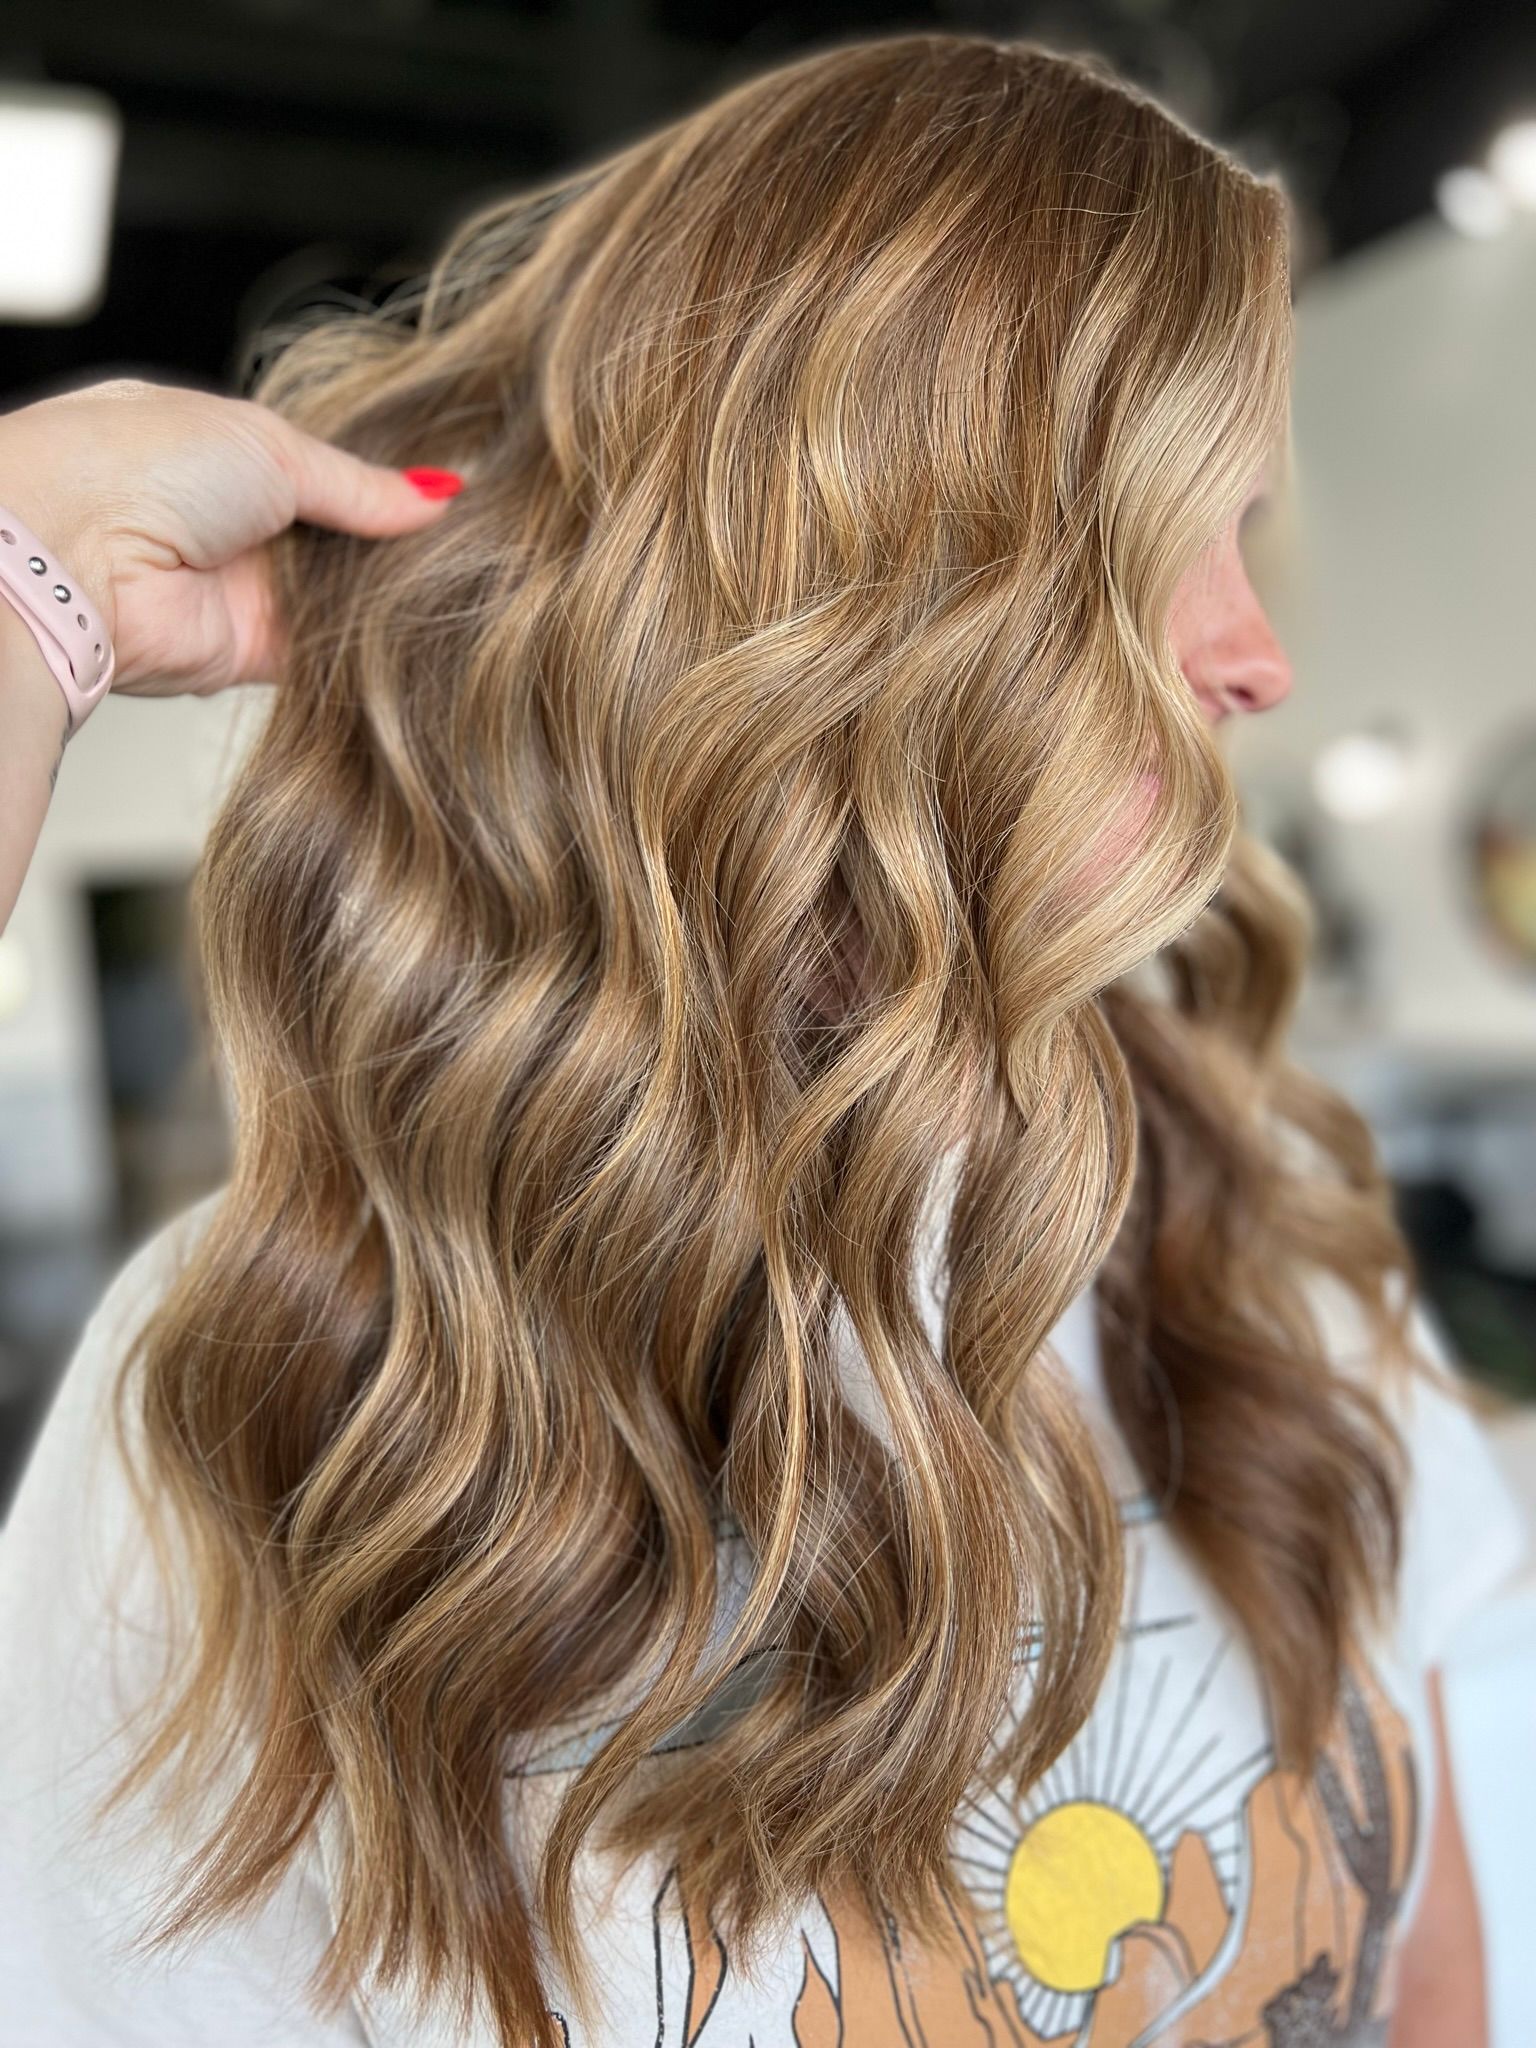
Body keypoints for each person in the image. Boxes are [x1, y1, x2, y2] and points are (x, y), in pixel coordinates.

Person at [0, 30, 1527, 2048]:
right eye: (1163, 547)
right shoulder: (284, 1389)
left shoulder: (1273, 1218)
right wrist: (22, 589)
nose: (1256, 656)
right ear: (860, 594)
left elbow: (1432, 1960)